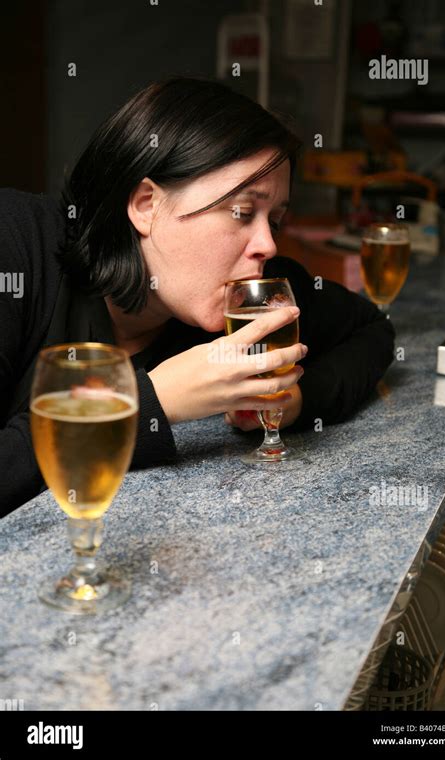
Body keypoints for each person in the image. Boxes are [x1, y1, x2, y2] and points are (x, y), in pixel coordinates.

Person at [0, 76, 395, 517]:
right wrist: (149, 400)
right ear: (147, 205)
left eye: (275, 220)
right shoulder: (14, 244)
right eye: (243, 212)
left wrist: (298, 402)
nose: (267, 244)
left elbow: (372, 329)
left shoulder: (255, 293)